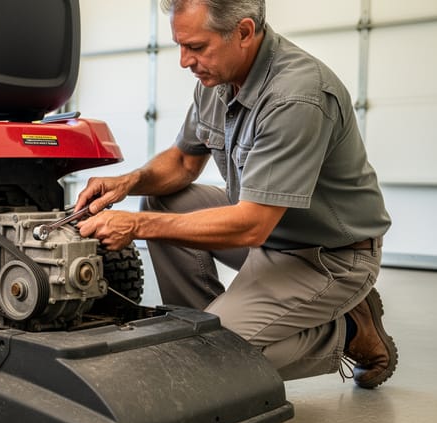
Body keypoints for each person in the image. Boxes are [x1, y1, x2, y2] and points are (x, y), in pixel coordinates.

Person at [75, 0, 397, 388]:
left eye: (195, 47)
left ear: (243, 32)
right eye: (180, 45)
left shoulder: (297, 96)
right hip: (271, 234)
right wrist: (129, 182)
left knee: (212, 364)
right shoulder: (218, 80)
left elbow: (252, 226)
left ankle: (347, 330)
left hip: (326, 256)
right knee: (162, 199)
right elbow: (182, 163)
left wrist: (137, 225)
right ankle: (201, 328)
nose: (184, 61)